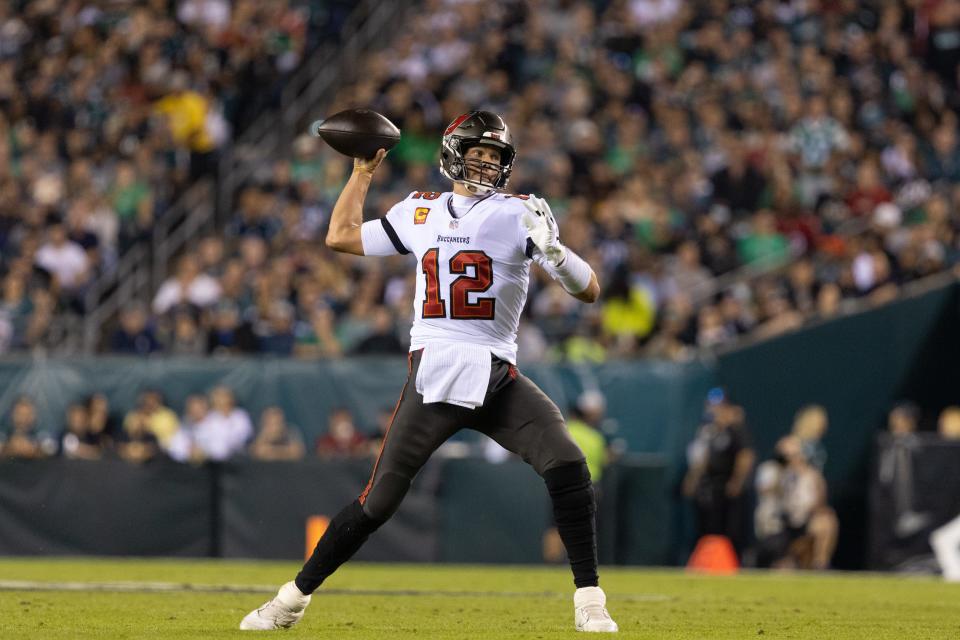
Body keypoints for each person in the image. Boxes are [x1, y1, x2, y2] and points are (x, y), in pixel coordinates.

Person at [241, 111, 616, 632]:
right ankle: (290, 600)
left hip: (495, 373)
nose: (486, 164)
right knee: (377, 503)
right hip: (434, 373)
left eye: (494, 157)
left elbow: (590, 289)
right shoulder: (420, 211)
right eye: (478, 153)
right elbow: (340, 236)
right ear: (452, 153)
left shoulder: (519, 213)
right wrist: (362, 173)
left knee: (569, 463)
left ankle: (589, 601)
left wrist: (556, 252)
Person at [683, 388, 755, 557]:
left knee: (730, 530)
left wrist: (737, 481)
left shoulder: (736, 429)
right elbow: (701, 459)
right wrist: (692, 480)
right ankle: (710, 562)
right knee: (708, 529)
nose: (714, 411)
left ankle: (729, 563)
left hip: (727, 488)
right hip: (711, 487)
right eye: (712, 406)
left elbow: (745, 456)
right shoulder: (709, 431)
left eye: (719, 406)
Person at [753, 436, 838, 570]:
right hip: (777, 525)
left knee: (826, 521)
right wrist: (782, 472)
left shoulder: (808, 474)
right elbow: (765, 490)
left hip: (800, 521)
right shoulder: (770, 469)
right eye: (787, 455)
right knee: (782, 568)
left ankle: (820, 564)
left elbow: (817, 501)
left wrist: (810, 476)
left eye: (795, 454)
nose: (792, 459)